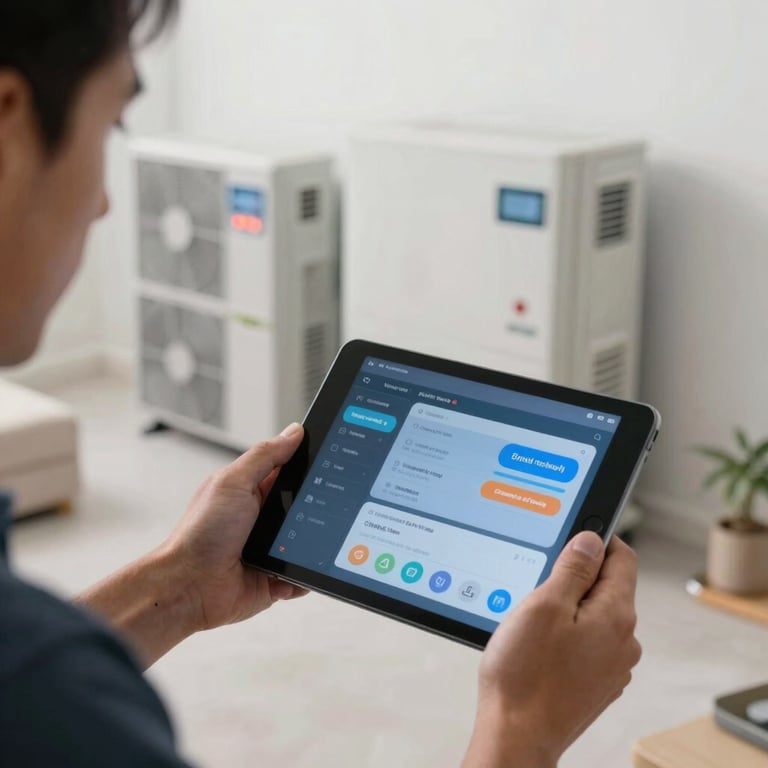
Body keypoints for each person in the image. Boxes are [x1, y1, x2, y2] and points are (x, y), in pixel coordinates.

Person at [0, 2, 642, 766]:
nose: (104, 201)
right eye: (113, 127)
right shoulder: (49, 699)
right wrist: (523, 724)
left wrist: (175, 587)